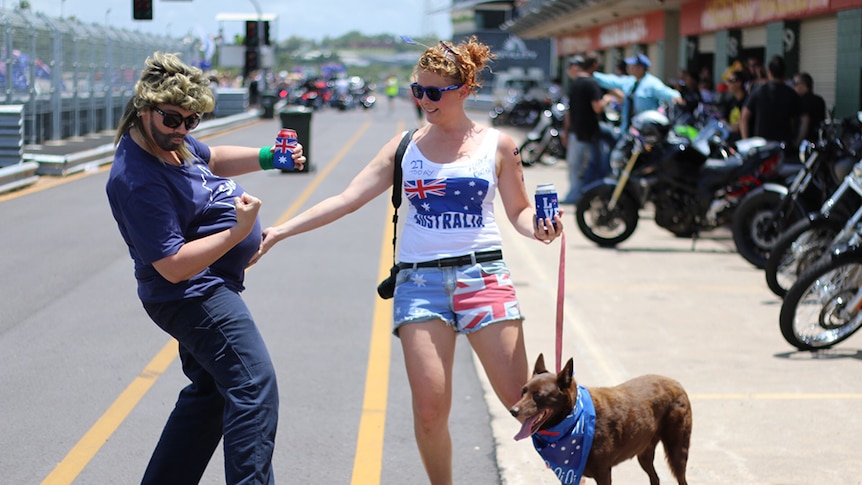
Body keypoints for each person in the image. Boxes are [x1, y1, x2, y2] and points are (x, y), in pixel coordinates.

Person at [251, 36, 562, 485]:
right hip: (420, 285)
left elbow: (518, 211)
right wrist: (279, 230)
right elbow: (346, 199)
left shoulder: (499, 145)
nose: (424, 100)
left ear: (465, 89)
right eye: (419, 89)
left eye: (435, 92)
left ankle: (577, 470)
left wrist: (540, 228)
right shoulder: (404, 147)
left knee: (532, 406)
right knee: (430, 412)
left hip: (483, 276)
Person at [105, 51, 305, 485]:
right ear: (145, 108)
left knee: (211, 396)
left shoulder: (174, 144)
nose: (182, 130)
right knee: (253, 385)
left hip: (210, 284)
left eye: (192, 121)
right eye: (173, 119)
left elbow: (212, 158)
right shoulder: (136, 179)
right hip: (192, 294)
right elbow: (173, 266)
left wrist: (270, 157)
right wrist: (237, 232)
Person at [592, 53, 683, 135]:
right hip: (627, 129)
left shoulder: (652, 83)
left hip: (644, 130)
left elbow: (666, 92)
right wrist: (592, 75)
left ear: (641, 68)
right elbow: (611, 81)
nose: (629, 67)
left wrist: (677, 97)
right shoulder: (630, 81)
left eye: (633, 66)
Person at [561, 55, 610, 204]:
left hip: (575, 132)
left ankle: (574, 194)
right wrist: (607, 99)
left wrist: (565, 131)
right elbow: (597, 108)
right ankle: (588, 194)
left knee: (575, 166)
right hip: (589, 132)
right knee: (596, 164)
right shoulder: (591, 83)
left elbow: (569, 111)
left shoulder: (574, 83)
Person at [740, 55, 807, 152]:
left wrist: (747, 144)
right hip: (784, 145)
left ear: (769, 73)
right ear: (784, 74)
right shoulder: (791, 93)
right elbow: (805, 119)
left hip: (761, 145)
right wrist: (797, 141)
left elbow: (744, 118)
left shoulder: (758, 91)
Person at [793, 71, 827, 143]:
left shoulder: (799, 102)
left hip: (803, 142)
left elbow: (805, 122)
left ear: (804, 85)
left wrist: (797, 142)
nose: (793, 87)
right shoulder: (819, 100)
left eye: (795, 84)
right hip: (817, 140)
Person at [718, 68, 748, 142]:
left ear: (739, 83)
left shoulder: (747, 101)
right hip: (729, 139)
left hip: (741, 141)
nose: (728, 84)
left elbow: (742, 124)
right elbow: (724, 119)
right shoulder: (730, 101)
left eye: (731, 81)